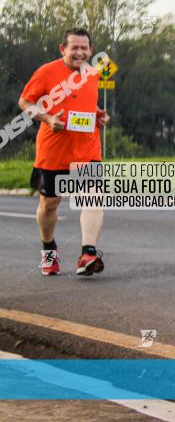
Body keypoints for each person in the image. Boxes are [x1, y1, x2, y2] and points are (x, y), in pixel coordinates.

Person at [19, 27, 110, 276]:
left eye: (84, 48)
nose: (80, 52)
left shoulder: (92, 74)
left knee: (93, 195)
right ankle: (49, 250)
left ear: (91, 50)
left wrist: (99, 113)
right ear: (63, 49)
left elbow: (85, 102)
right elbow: (25, 102)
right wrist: (47, 118)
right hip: (54, 151)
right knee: (50, 204)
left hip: (87, 149)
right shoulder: (47, 72)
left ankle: (88, 253)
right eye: (74, 47)